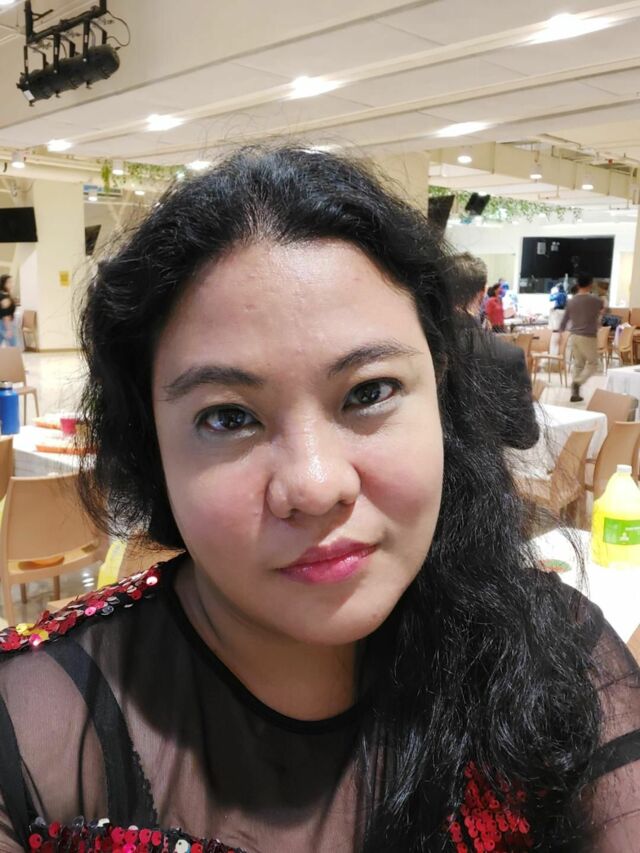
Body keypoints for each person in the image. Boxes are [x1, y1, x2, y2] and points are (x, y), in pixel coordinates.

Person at [0, 147, 638, 853]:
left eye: (369, 392)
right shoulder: (29, 729)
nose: (314, 484)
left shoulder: (560, 653)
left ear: (440, 393)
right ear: (151, 445)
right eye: (228, 417)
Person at [449, 252, 539, 449]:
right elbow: (524, 435)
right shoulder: (506, 355)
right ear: (482, 292)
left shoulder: (415, 344)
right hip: (480, 463)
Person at [560, 273, 604, 402]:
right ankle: (577, 383)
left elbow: (564, 321)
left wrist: (560, 335)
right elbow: (604, 312)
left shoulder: (571, 301)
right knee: (593, 364)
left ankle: (575, 394)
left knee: (578, 364)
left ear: (578, 284)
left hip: (574, 336)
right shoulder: (595, 300)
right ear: (591, 284)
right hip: (588, 336)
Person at [0, 275, 17, 347]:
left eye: (11, 282)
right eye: (9, 282)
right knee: (13, 345)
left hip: (3, 324)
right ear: (3, 284)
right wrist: (9, 329)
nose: (11, 284)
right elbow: (5, 314)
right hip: (4, 324)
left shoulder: (4, 294)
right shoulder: (4, 297)